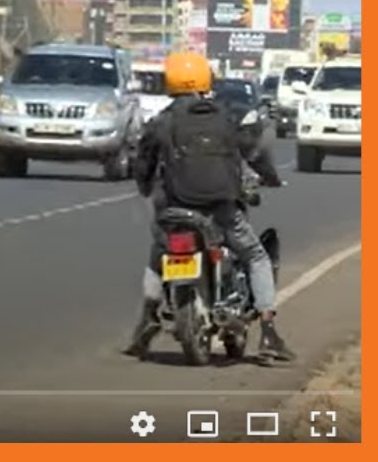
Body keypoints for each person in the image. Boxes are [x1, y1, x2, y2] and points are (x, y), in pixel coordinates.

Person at [125, 51, 295, 364]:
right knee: (256, 256)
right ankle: (269, 332)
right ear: (206, 80)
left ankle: (149, 316)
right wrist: (270, 178)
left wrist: (145, 187)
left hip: (176, 211)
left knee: (158, 255)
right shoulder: (226, 117)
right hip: (222, 211)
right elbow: (254, 153)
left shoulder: (162, 122)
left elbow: (143, 163)